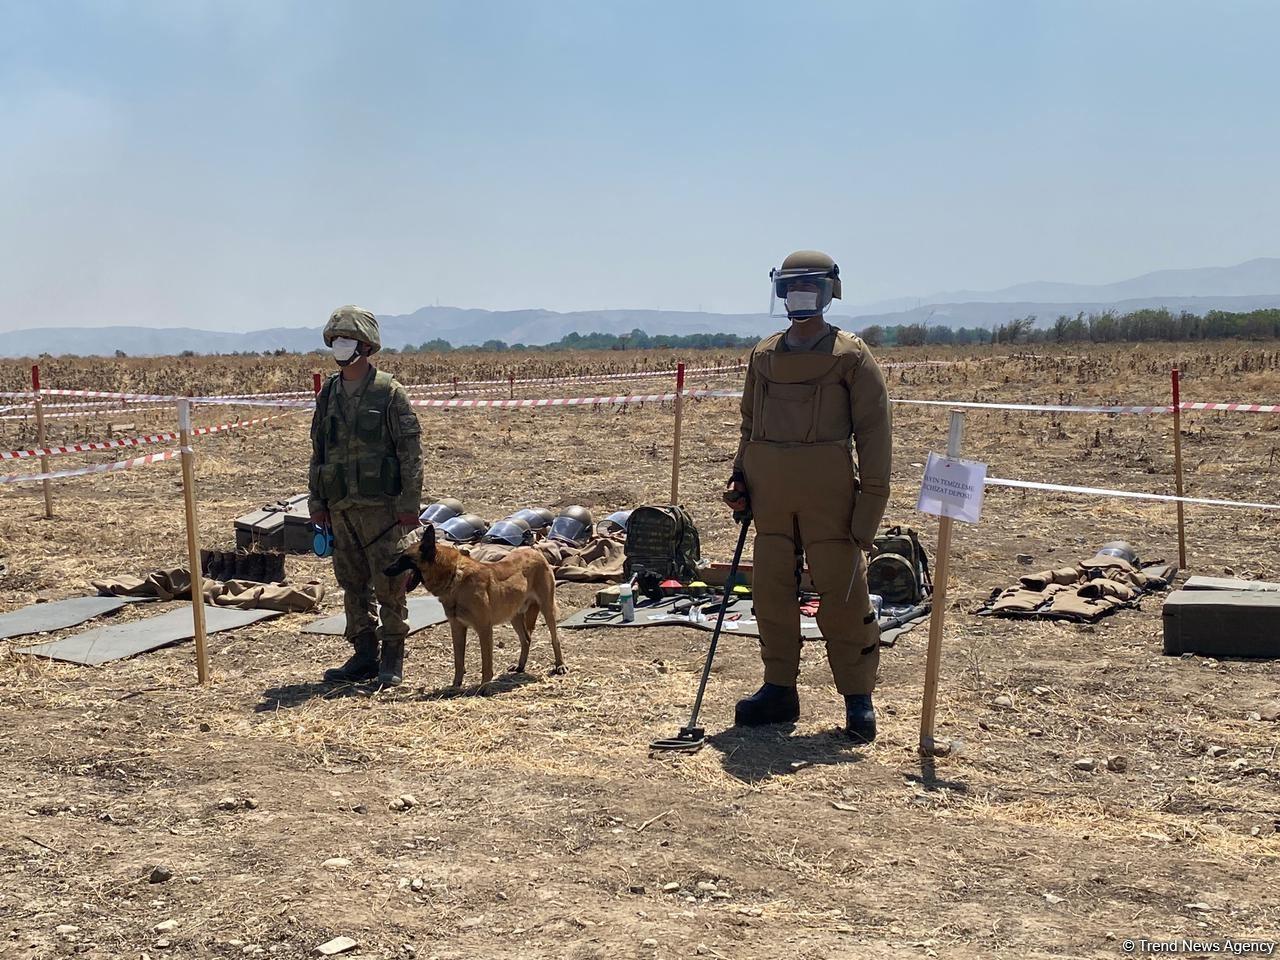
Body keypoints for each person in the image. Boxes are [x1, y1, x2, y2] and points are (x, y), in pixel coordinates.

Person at [723, 250, 892, 742]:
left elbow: (875, 436)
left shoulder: (851, 357)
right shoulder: (764, 356)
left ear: (828, 292)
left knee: (842, 593)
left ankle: (857, 697)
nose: (800, 297)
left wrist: (868, 515)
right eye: (792, 287)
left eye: (810, 287)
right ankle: (779, 688)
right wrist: (740, 480)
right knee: (771, 593)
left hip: (830, 496)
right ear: (780, 291)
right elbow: (750, 427)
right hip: (771, 495)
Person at [308, 305, 423, 687]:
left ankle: (393, 657)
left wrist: (409, 506)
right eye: (335, 339)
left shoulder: (389, 392)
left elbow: (410, 453)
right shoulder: (328, 395)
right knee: (351, 583)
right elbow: (318, 451)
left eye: (348, 339)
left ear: (366, 345)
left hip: (382, 509)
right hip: (340, 505)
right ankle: (363, 654)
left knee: (389, 583)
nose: (340, 345)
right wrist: (316, 501)